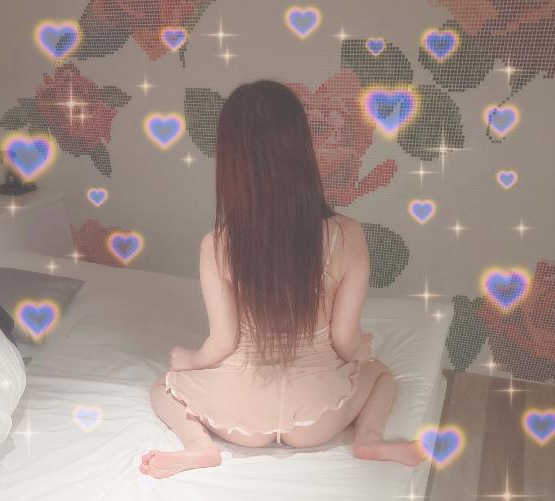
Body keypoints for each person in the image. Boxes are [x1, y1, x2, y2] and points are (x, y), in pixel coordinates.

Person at [140, 80, 428, 478]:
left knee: (163, 387)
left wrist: (191, 360)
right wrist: (361, 351)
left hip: (241, 413)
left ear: (232, 163)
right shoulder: (347, 235)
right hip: (318, 416)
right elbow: (344, 340)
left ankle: (198, 447)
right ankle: (369, 439)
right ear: (301, 150)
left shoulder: (218, 244)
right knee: (381, 376)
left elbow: (222, 343)